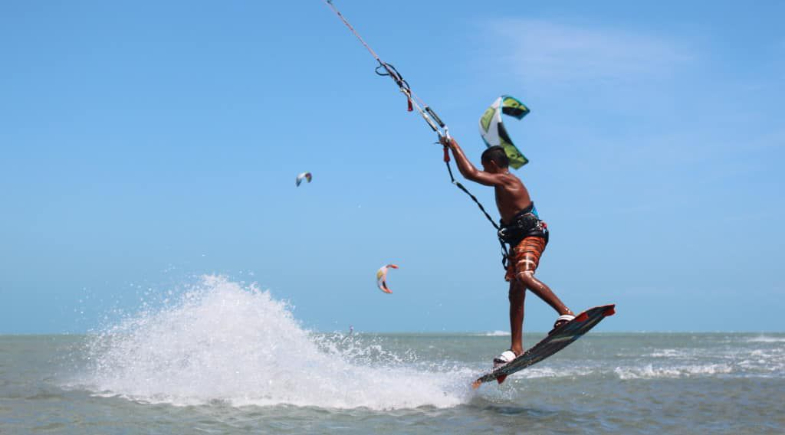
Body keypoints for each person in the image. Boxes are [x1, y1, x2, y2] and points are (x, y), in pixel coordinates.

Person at [440, 136, 575, 368]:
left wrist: (453, 145)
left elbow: (470, 174)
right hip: (518, 239)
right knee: (515, 291)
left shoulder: (508, 180)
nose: (484, 171)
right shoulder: (501, 182)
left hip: (532, 235)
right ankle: (516, 348)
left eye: (485, 166)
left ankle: (566, 313)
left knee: (524, 276)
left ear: (492, 164)